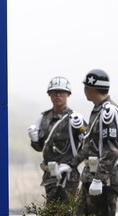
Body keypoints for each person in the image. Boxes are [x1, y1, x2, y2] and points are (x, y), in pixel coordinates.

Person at [61, 69, 118, 215]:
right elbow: (89, 146)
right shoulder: (98, 110)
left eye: (85, 86)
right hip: (90, 178)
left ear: (90, 88)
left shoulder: (108, 112)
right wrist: (71, 164)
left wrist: (99, 179)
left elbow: (112, 150)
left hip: (104, 182)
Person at [28, 76, 87, 205]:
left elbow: (87, 146)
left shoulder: (75, 119)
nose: (58, 95)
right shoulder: (44, 118)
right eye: (54, 92)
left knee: (66, 211)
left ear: (68, 94)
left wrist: (71, 165)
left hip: (68, 176)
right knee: (51, 210)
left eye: (62, 92)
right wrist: (34, 139)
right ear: (49, 94)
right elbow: (40, 147)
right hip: (50, 175)